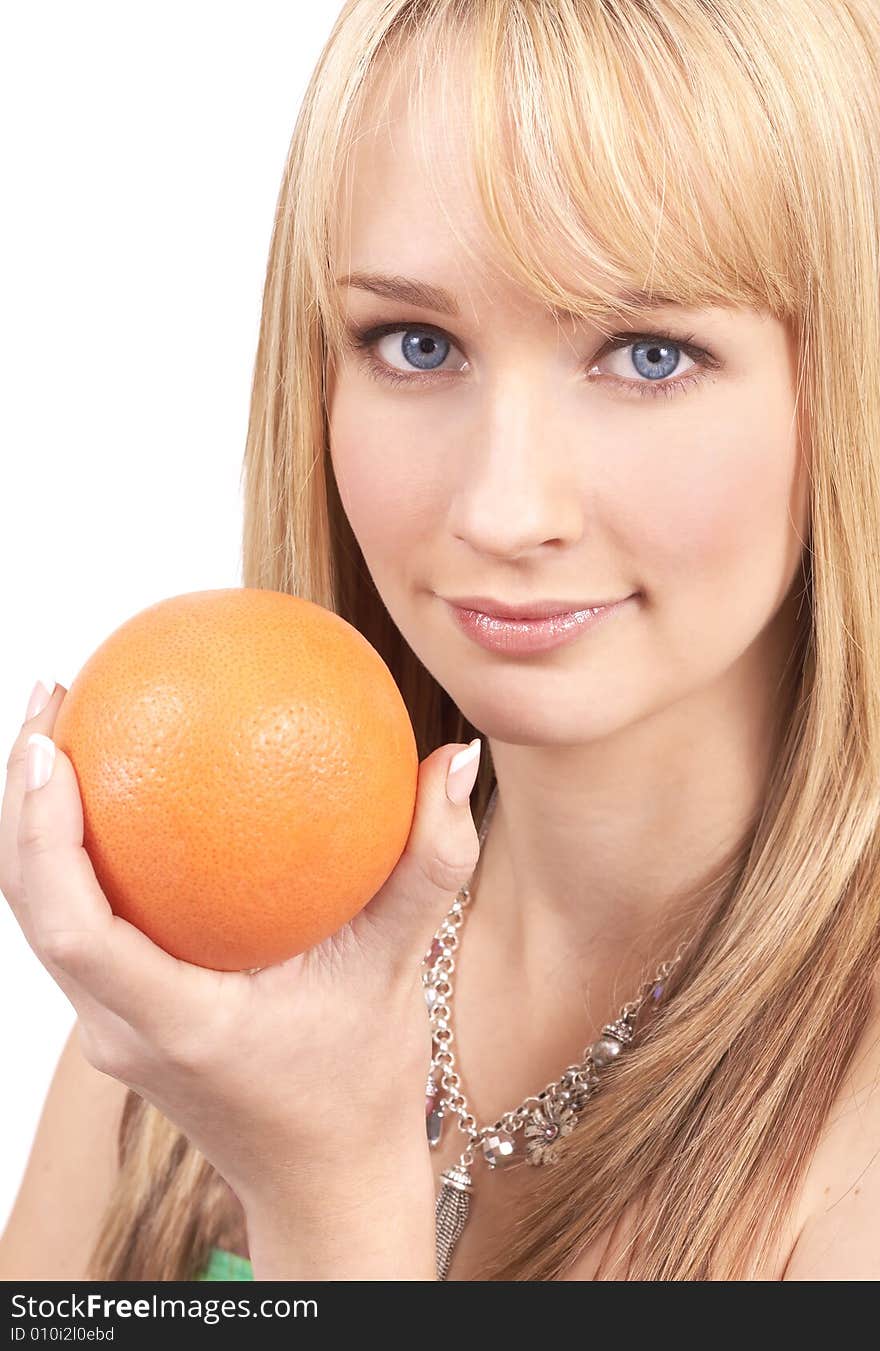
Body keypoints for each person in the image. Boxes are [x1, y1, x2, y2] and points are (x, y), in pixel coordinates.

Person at [2, 0, 879, 1282]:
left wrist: (326, 1184)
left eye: (647, 354)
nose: (502, 510)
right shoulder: (219, 949)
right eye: (417, 344)